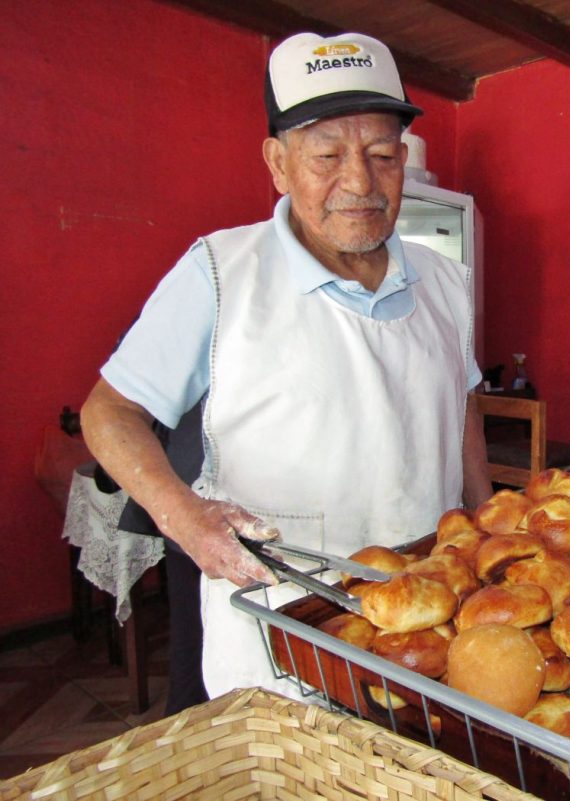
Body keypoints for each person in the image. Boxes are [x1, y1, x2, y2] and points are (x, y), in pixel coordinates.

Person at [80, 31, 493, 700]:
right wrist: (182, 514)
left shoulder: (447, 282)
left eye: (384, 155)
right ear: (277, 162)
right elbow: (110, 410)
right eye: (327, 154)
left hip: (427, 625)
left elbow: (460, 403)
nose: (359, 182)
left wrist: (485, 526)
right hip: (279, 638)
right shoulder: (220, 272)